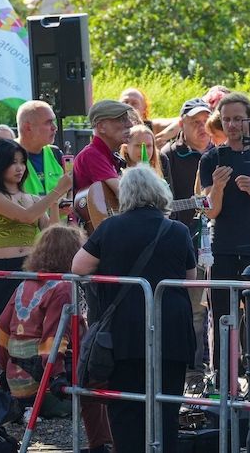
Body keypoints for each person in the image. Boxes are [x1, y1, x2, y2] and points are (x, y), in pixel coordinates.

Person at [72, 166, 196, 453]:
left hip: (125, 332)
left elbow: (78, 267)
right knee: (166, 410)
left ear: (124, 195)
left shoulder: (110, 228)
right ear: (159, 193)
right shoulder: (177, 230)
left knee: (126, 411)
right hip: (171, 330)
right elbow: (190, 279)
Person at [0, 138, 72, 376]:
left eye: (22, 162)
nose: (19, 168)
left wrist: (54, 204)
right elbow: (26, 217)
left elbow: (50, 231)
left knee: (25, 327)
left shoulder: (31, 197)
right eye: (13, 163)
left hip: (29, 267)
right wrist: (56, 191)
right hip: (4, 269)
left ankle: (16, 380)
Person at [0, 225, 112, 453]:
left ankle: (101, 443)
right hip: (45, 378)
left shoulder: (25, 284)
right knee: (108, 382)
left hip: (16, 376)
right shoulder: (63, 287)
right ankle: (106, 444)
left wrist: (3, 368)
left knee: (92, 379)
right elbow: (54, 336)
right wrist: (56, 375)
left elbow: (2, 326)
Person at [199, 93, 250, 381]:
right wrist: (218, 187)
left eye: (238, 119)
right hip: (223, 247)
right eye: (226, 119)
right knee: (223, 315)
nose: (232, 125)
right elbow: (210, 211)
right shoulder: (211, 158)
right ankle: (223, 378)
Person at [161, 97, 213, 371]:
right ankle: (192, 370)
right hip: (183, 247)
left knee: (215, 312)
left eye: (206, 121)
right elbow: (165, 205)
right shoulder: (168, 155)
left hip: (215, 246)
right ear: (182, 124)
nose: (202, 127)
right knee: (192, 313)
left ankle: (216, 369)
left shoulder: (219, 152)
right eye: (195, 122)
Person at [73, 100, 135, 197]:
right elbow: (125, 194)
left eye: (128, 119)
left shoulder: (103, 154)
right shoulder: (91, 154)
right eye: (122, 119)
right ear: (101, 127)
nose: (130, 124)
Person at [15, 101, 65, 199]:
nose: (55, 127)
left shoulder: (56, 154)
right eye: (48, 122)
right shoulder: (6, 156)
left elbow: (70, 191)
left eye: (53, 122)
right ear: (28, 128)